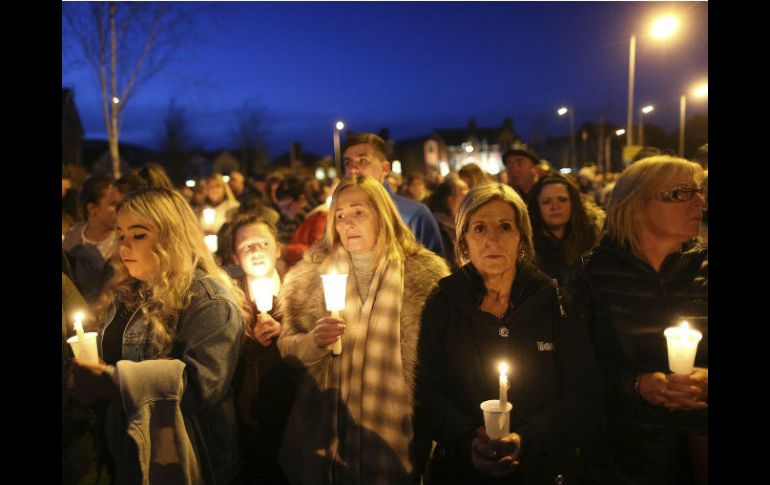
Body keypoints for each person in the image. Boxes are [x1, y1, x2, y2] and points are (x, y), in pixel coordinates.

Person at [414, 183, 601, 484]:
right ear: (463, 242)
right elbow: (425, 391)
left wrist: (528, 437)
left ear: (522, 239)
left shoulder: (553, 302)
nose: (492, 240)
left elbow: (584, 393)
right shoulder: (443, 303)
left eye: (504, 227)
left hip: (539, 469)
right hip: (462, 470)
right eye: (479, 229)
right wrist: (467, 438)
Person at [276, 174, 450, 484]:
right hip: (326, 434)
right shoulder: (309, 276)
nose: (348, 223)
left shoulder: (424, 275)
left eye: (358, 212)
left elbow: (444, 361)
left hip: (397, 435)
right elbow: (286, 347)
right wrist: (314, 342)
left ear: (381, 214)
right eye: (339, 215)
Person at [69, 187, 246, 485]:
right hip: (128, 451)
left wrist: (115, 383)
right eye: (120, 234)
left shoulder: (208, 300)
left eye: (138, 235)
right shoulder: (129, 291)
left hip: (188, 454)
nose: (124, 247)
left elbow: (201, 387)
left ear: (171, 237)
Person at [565, 156, 708, 485]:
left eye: (698, 191)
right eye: (681, 193)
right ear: (636, 205)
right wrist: (634, 385)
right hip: (620, 457)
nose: (699, 201)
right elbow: (571, 368)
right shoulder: (592, 274)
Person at [229, 213, 295, 484]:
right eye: (246, 246)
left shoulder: (300, 294)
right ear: (235, 257)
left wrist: (286, 333)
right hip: (249, 419)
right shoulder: (229, 301)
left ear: (278, 248)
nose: (255, 251)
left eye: (263, 243)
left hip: (293, 416)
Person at [343, 133, 445, 257]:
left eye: (363, 161)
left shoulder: (414, 214)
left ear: (385, 168)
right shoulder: (340, 216)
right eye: (348, 163)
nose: (353, 169)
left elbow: (436, 271)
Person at [527, 173, 598, 282]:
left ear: (572, 203)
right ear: (537, 207)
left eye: (562, 200)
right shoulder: (527, 247)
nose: (555, 207)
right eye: (546, 202)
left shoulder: (591, 238)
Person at [63, 175, 123, 302]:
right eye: (113, 205)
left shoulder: (122, 240)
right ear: (92, 208)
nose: (120, 210)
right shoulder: (71, 239)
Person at [425, 173, 469, 272]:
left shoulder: (463, 225)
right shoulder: (438, 230)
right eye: (464, 192)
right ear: (450, 201)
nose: (470, 195)